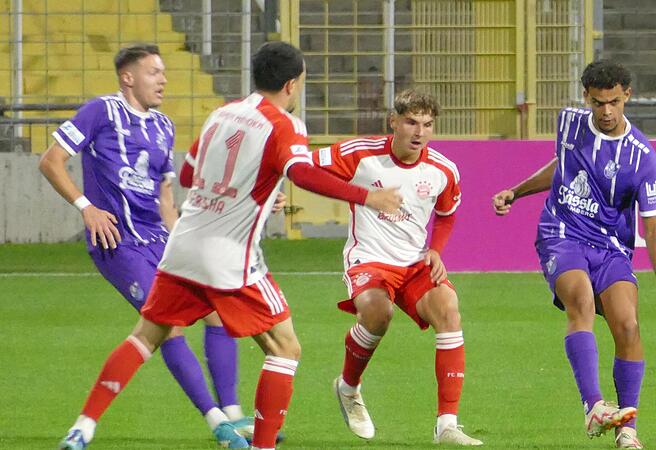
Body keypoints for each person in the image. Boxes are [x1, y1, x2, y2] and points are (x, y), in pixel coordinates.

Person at [53, 41, 402, 450]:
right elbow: (303, 175)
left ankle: (83, 428)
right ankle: (263, 445)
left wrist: (257, 190)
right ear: (292, 84)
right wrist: (369, 197)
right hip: (230, 256)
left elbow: (187, 175)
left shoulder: (222, 114)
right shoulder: (285, 124)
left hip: (181, 247)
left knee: (145, 336)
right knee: (285, 347)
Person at [39, 43, 258, 447]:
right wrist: (85, 207)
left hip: (161, 239)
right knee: (166, 327)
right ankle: (217, 425)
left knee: (216, 312)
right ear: (128, 77)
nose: (163, 79)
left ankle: (233, 414)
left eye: (163, 72)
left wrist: (187, 245)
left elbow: (165, 201)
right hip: (117, 241)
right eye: (154, 72)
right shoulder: (100, 111)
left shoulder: (164, 126)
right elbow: (51, 160)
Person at [492, 60, 656, 449]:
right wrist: (517, 190)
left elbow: (654, 225)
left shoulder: (641, 155)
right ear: (586, 98)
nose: (606, 111)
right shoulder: (569, 122)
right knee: (579, 298)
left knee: (627, 325)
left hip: (611, 247)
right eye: (598, 103)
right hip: (561, 233)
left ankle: (627, 429)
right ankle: (594, 406)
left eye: (613, 101)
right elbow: (562, 165)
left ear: (627, 95)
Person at [313, 89, 483, 446]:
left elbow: (447, 216)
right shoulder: (360, 154)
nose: (419, 132)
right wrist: (361, 195)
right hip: (369, 258)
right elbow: (306, 169)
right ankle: (348, 387)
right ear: (394, 122)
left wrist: (436, 251)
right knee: (378, 313)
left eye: (427, 124)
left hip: (414, 262)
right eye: (411, 122)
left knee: (449, 310)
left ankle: (447, 425)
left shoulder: (443, 170)